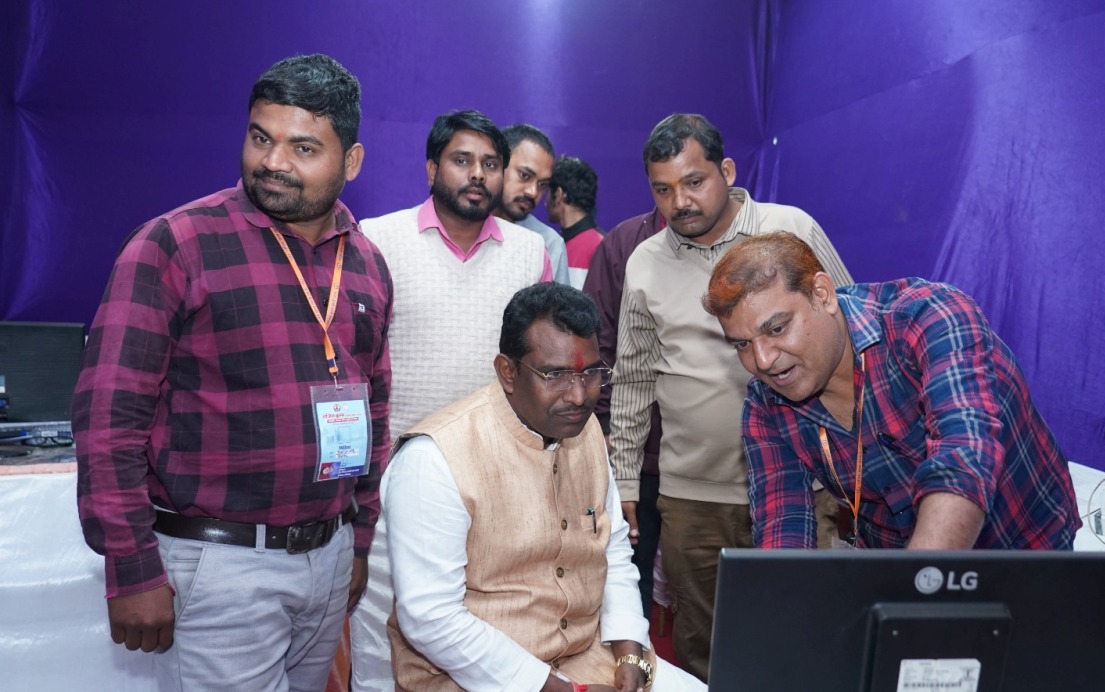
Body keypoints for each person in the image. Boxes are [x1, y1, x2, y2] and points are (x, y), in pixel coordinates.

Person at [71, 54, 392, 692]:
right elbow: (109, 418)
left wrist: (356, 542)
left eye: (303, 147)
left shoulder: (366, 263)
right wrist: (131, 565)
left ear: (351, 161)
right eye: (260, 138)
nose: (273, 162)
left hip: (329, 558)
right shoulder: (176, 244)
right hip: (218, 564)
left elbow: (374, 411)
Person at [608, 113, 853, 680]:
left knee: (809, 635)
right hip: (693, 495)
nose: (680, 202)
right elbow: (633, 379)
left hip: (806, 481)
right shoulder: (645, 262)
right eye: (663, 190)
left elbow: (850, 325)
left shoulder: (791, 229)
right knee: (704, 648)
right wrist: (624, 480)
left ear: (728, 171)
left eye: (694, 182)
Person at [384, 282, 705, 692]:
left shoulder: (585, 431)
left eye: (591, 373)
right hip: (472, 676)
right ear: (508, 372)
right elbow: (431, 618)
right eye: (555, 375)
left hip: (585, 655)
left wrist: (630, 650)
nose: (579, 396)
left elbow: (612, 549)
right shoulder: (434, 459)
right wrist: (563, 689)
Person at [703, 231, 1083, 550]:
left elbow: (962, 459)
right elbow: (782, 526)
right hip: (900, 573)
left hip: (1024, 550)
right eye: (742, 344)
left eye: (777, 329)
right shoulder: (765, 405)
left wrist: (914, 598)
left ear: (823, 294)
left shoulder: (928, 317)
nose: (763, 360)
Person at [352, 109, 551, 690]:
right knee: (379, 650)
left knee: (485, 651)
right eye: (462, 160)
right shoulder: (377, 239)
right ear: (432, 168)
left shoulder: (530, 253)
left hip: (497, 490)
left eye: (490, 164)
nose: (477, 175)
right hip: (393, 486)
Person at [581, 207, 667, 618]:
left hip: (717, 455)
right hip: (634, 443)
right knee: (630, 565)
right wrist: (603, 423)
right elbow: (595, 340)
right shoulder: (624, 243)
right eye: (664, 188)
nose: (680, 200)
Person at [496, 123, 571, 285]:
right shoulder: (463, 227)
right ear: (497, 164)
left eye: (542, 184)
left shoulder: (549, 243)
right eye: (524, 175)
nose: (533, 192)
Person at [546, 155, 605, 288]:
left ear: (559, 194)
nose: (544, 202)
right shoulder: (602, 244)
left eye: (547, 192)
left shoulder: (601, 248)